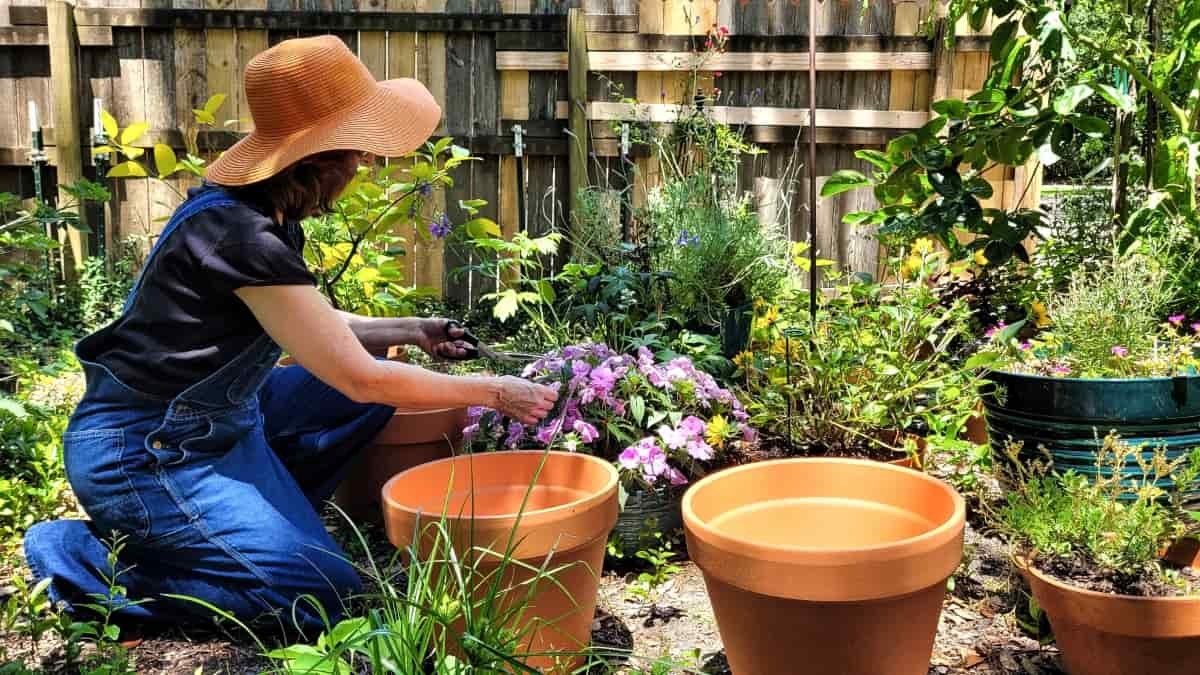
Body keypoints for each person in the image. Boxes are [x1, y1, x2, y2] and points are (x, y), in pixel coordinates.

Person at [22, 35, 558, 633]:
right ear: (317, 158)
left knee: (379, 395)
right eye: (358, 151)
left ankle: (254, 520)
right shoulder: (240, 235)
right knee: (319, 596)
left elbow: (320, 327)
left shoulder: (260, 215)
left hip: (220, 421)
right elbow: (358, 376)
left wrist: (415, 329)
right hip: (149, 453)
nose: (366, 164)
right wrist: (493, 391)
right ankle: (84, 563)